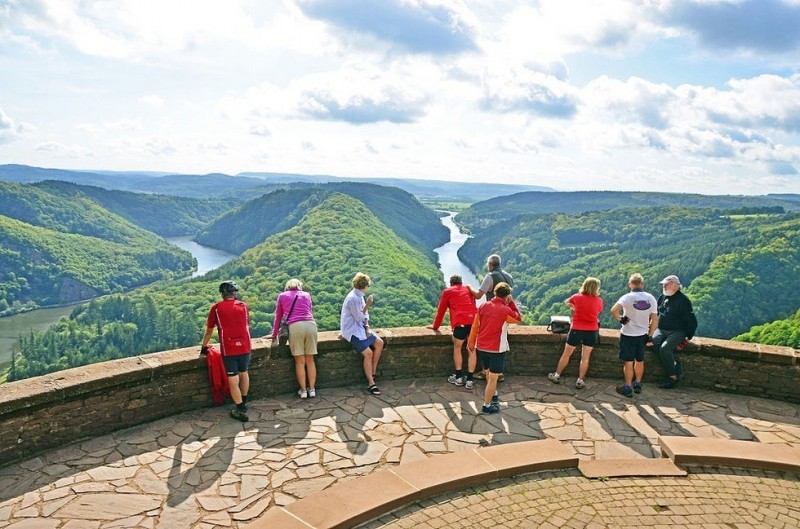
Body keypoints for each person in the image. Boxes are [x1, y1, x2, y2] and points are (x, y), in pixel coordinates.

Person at [201, 280, 252, 422]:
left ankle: (240, 408)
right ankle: (244, 400)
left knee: (233, 377)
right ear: (234, 293)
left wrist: (204, 346)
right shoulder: (244, 306)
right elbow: (246, 324)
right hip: (245, 345)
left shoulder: (216, 308)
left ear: (222, 294)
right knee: (244, 372)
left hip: (229, 348)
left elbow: (209, 331)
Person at [467, 282, 522, 415]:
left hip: (482, 347)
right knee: (493, 378)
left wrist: (471, 343)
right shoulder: (506, 310)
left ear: (495, 293)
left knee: (488, 373)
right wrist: (511, 303)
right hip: (497, 349)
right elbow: (518, 318)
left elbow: (475, 326)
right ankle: (487, 406)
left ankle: (493, 393)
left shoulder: (483, 306)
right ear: (507, 295)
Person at [547, 277, 603, 389]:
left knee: (567, 353)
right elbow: (598, 311)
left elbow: (566, 301)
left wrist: (575, 307)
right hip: (592, 330)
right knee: (585, 357)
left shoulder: (577, 297)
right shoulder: (599, 300)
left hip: (577, 329)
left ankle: (557, 375)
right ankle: (580, 380)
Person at [610, 273, 658, 398]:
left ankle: (627, 387)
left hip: (628, 333)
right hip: (642, 334)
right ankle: (637, 383)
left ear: (630, 284)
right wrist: (650, 334)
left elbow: (613, 310)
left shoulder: (627, 297)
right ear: (642, 284)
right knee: (640, 360)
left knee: (628, 362)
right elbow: (654, 319)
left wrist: (621, 319)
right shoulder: (650, 298)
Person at [430, 274, 480, 389]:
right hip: (474, 322)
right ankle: (470, 380)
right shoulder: (468, 289)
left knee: (457, 348)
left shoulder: (448, 291)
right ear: (461, 282)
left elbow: (441, 311)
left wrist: (435, 326)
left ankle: (458, 377)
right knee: (472, 349)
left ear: (451, 283)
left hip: (460, 323)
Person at [272, 278, 318, 399]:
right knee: (310, 360)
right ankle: (312, 390)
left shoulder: (282, 296)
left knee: (300, 361)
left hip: (295, 327)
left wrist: (274, 333)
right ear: (299, 286)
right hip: (310, 325)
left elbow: (278, 316)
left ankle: (303, 391)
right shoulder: (306, 295)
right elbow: (310, 311)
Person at [340, 272, 385, 395]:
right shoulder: (353, 298)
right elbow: (359, 317)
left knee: (379, 343)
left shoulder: (359, 295)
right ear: (364, 286)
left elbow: (364, 317)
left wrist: (367, 328)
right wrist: (368, 305)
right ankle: (371, 383)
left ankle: (373, 371)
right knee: (368, 353)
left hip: (361, 328)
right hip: (352, 330)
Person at [652, 275, 697, 389]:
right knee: (654, 343)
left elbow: (692, 321)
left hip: (678, 331)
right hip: (661, 329)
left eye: (666, 284)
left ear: (675, 286)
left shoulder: (683, 301)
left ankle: (672, 377)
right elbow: (656, 312)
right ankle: (675, 365)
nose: (664, 286)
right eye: (663, 284)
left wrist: (688, 337)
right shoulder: (663, 296)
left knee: (665, 349)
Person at [475, 254, 513, 381]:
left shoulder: (490, 276)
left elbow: (479, 295)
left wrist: (468, 289)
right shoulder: (509, 277)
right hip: (505, 314)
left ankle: (485, 372)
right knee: (501, 341)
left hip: (491, 313)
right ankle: (499, 373)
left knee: (486, 341)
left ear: (490, 264)